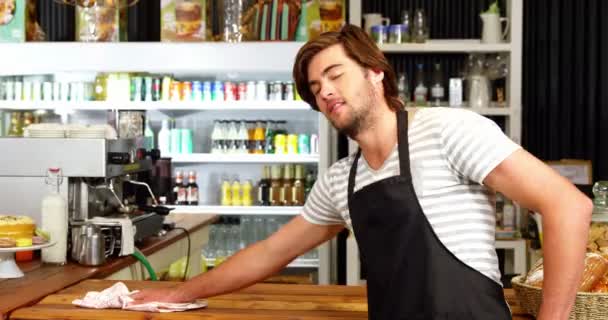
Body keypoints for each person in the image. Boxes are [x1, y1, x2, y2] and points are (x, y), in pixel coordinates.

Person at [131, 25, 592, 319]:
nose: (325, 92)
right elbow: (270, 253)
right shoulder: (339, 180)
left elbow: (567, 206)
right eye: (315, 88)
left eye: (336, 74)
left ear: (375, 73)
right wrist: (178, 294)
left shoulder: (450, 130)